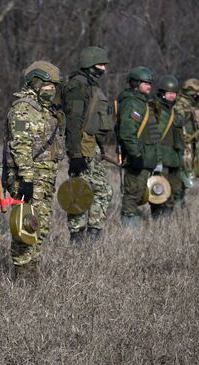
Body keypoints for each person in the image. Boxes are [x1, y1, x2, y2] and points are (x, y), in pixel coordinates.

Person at [3, 60, 64, 279]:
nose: (52, 90)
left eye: (54, 86)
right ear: (36, 82)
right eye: (48, 85)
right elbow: (20, 145)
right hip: (28, 179)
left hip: (45, 179)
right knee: (26, 226)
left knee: (42, 226)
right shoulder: (22, 109)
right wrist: (26, 179)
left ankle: (32, 267)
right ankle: (23, 272)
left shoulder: (45, 111)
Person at [62, 46, 114, 243]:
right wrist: (75, 155)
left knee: (103, 190)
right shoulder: (77, 87)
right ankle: (77, 238)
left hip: (92, 147)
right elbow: (73, 123)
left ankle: (93, 234)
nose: (104, 69)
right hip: (81, 147)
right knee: (78, 192)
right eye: (100, 65)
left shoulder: (91, 86)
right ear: (89, 65)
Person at [116, 66, 161, 229]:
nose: (149, 85)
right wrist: (135, 155)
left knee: (139, 192)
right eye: (145, 82)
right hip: (137, 157)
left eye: (150, 82)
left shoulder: (142, 103)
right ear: (135, 83)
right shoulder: (131, 103)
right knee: (132, 194)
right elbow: (127, 132)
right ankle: (129, 230)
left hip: (145, 157)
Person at [173, 78, 199, 207]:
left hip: (188, 146)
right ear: (192, 93)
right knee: (180, 176)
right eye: (198, 94)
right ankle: (177, 203)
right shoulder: (180, 105)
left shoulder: (190, 105)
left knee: (185, 176)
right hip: (181, 146)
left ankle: (180, 202)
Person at [150, 75, 184, 218]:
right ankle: (157, 217)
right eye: (169, 93)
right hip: (160, 156)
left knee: (174, 188)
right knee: (158, 190)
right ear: (162, 93)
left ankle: (167, 219)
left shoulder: (176, 112)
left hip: (174, 157)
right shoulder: (154, 109)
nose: (172, 96)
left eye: (174, 93)